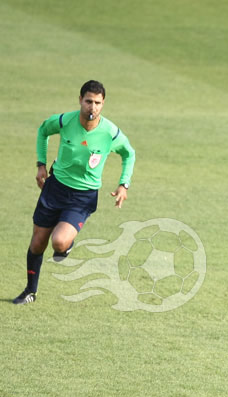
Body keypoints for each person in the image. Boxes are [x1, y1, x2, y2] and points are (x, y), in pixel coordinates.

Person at [13, 80, 136, 305]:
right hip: (55, 189)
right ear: (80, 100)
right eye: (88, 101)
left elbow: (129, 154)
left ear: (103, 104)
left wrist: (123, 184)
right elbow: (43, 130)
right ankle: (30, 291)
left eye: (98, 103)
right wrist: (41, 163)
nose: (93, 107)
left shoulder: (110, 132)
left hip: (82, 196)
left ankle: (67, 246)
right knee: (37, 243)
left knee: (58, 242)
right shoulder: (64, 120)